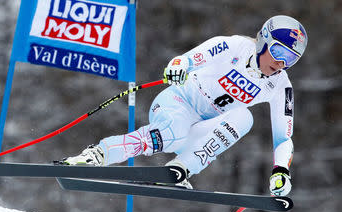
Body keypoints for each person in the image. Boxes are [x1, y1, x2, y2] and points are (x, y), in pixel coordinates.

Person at [62, 15, 307, 196]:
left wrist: (281, 171)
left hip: (202, 127)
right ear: (263, 41)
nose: (280, 63)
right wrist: (178, 67)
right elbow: (187, 59)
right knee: (173, 136)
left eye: (291, 59)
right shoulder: (233, 46)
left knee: (245, 117)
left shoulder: (280, 87)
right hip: (177, 103)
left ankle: (179, 170)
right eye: (278, 51)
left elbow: (283, 138)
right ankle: (98, 154)